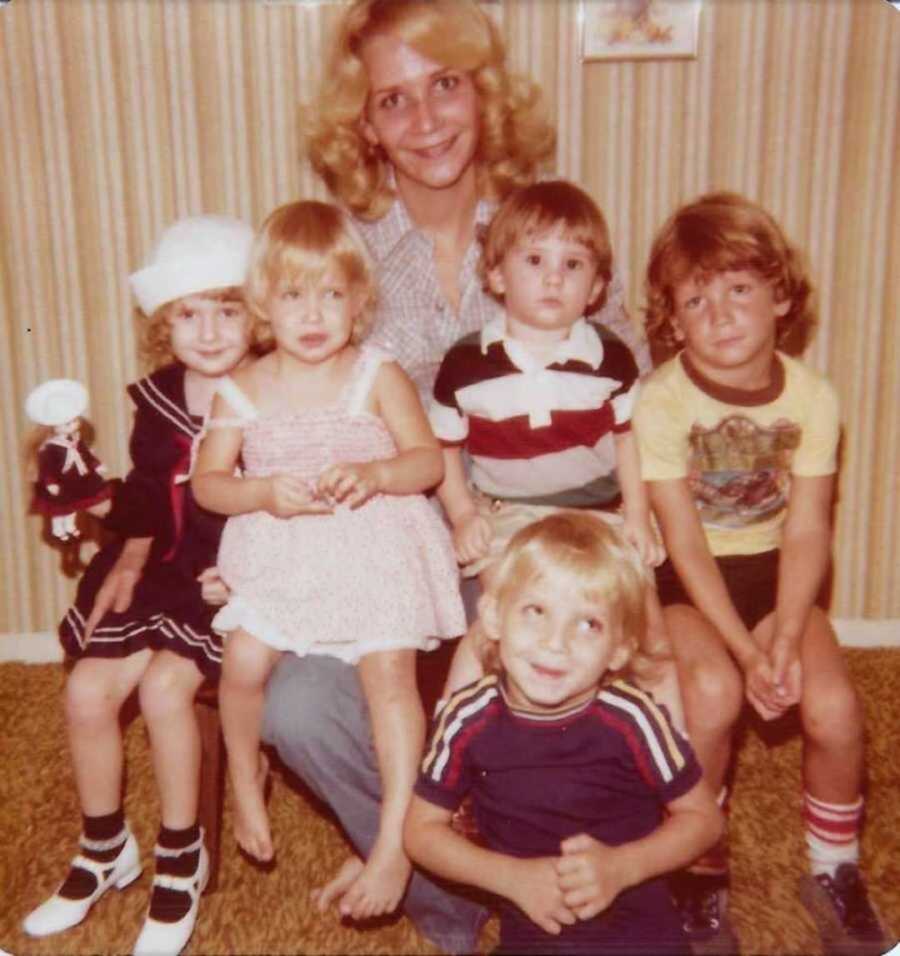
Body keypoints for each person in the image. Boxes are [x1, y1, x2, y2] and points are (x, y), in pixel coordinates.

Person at [261, 5, 652, 950]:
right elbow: (276, 403)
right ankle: (440, 873)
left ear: (487, 94)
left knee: (555, 655)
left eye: (446, 84)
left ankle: (506, 849)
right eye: (394, 99)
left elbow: (623, 380)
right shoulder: (343, 254)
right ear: (364, 125)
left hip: (519, 542)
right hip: (380, 547)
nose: (427, 119)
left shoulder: (543, 230)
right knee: (296, 707)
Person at [632, 192, 891, 956]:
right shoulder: (663, 401)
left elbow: (810, 527)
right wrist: (745, 656)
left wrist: (782, 630)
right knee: (709, 695)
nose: (719, 313)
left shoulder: (814, 398)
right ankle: (696, 866)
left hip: (779, 576)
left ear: (780, 295)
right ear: (673, 321)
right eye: (696, 298)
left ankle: (834, 870)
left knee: (837, 707)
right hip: (689, 581)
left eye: (738, 289)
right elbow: (681, 538)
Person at [191, 199, 465, 916]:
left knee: (388, 676)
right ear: (261, 305)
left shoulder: (377, 373)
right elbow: (208, 485)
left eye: (332, 295)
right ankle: (248, 782)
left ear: (359, 301)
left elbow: (427, 462)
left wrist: (375, 474)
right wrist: (260, 492)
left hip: (375, 543)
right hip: (285, 550)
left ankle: (396, 842)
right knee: (243, 662)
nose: (313, 315)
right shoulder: (241, 388)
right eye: (292, 296)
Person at [22, 214, 256, 956]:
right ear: (164, 324)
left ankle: (181, 856)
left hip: (231, 574)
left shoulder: (271, 392)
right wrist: (113, 534)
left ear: (261, 312)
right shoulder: (157, 397)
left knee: (163, 691)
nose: (211, 331)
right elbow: (153, 496)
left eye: (229, 308)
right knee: (86, 691)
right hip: (158, 566)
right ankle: (103, 846)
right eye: (189, 314)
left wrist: (247, 573)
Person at [405, 512, 723, 956]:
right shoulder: (465, 717)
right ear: (494, 618)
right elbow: (420, 831)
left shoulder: (634, 717)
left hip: (639, 931)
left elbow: (704, 820)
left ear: (619, 649)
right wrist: (509, 878)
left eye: (588, 623)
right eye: (536, 611)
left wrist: (623, 867)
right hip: (535, 931)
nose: (557, 642)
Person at [429, 179, 666, 698]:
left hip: (599, 511)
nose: (554, 279)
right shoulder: (466, 363)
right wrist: (464, 513)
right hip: (508, 512)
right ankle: (452, 738)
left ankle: (668, 755)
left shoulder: (611, 357)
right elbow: (444, 449)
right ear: (496, 274)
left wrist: (636, 513)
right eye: (534, 261)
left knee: (643, 625)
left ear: (598, 286)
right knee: (501, 622)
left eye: (573, 265)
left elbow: (628, 441)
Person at [25, 379, 113, 541]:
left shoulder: (76, 440)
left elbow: (86, 455)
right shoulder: (50, 448)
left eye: (74, 421)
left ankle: (70, 527)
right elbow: (47, 468)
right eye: (67, 423)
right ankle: (59, 529)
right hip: (61, 482)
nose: (72, 425)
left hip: (77, 480)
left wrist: (97, 465)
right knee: (60, 509)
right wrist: (50, 483)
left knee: (73, 507)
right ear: (53, 427)